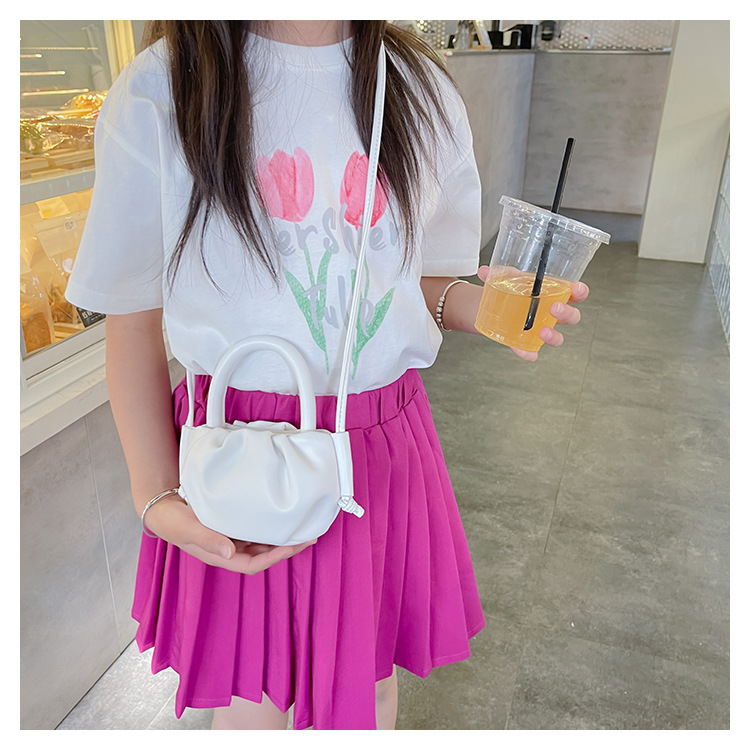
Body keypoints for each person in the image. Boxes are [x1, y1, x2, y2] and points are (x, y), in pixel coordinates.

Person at [65, 20, 588, 730]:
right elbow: (131, 320)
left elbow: (422, 281)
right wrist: (154, 492)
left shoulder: (421, 87)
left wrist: (488, 309)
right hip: (239, 448)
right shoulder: (162, 87)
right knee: (254, 693)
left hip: (380, 449)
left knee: (368, 684)